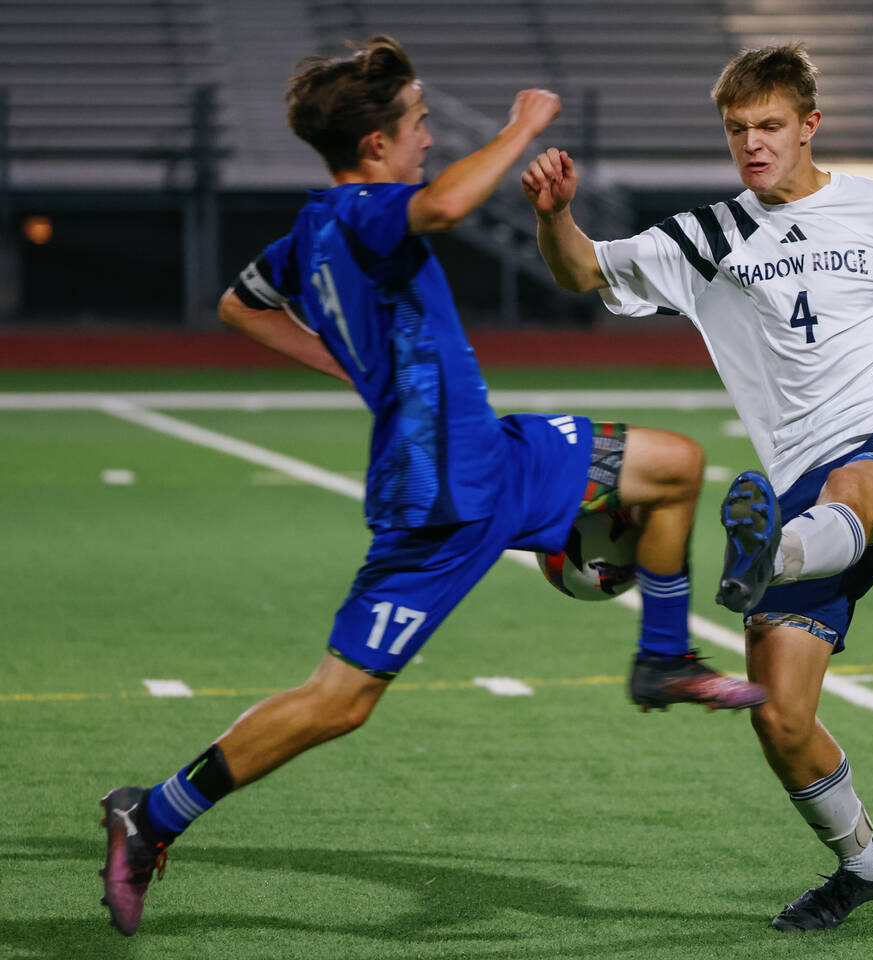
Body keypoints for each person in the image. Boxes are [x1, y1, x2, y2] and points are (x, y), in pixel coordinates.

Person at [97, 36, 767, 938]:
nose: (426, 140)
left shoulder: (309, 231)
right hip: (439, 499)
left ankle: (662, 660)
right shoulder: (368, 210)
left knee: (675, 464)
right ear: (374, 147)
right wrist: (522, 123)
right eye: (416, 125)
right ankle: (156, 812)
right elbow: (448, 206)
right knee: (341, 701)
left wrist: (355, 366)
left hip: (498, 454)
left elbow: (240, 304)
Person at [523, 42, 873, 933]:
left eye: (770, 126)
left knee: (859, 488)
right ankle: (863, 864)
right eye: (738, 130)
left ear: (808, 125)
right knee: (780, 717)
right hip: (798, 478)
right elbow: (582, 270)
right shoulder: (704, 238)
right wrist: (556, 216)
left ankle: (769, 551)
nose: (753, 144)